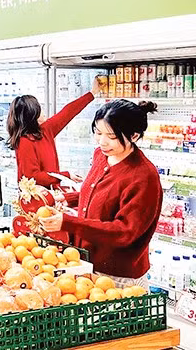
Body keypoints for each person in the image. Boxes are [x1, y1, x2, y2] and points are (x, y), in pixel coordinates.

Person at [41, 100, 162, 287]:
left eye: (111, 136)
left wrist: (68, 222)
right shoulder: (101, 155)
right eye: (98, 133)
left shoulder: (143, 176)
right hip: (86, 262)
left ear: (134, 135)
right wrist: (68, 199)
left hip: (118, 276)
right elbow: (95, 192)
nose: (102, 141)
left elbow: (125, 232)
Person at [7, 78, 100, 189]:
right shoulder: (24, 142)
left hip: (51, 194)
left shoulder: (44, 131)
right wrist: (65, 175)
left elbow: (67, 112)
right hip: (36, 200)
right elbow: (32, 177)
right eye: (39, 109)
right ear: (33, 115)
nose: (43, 112)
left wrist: (92, 93)